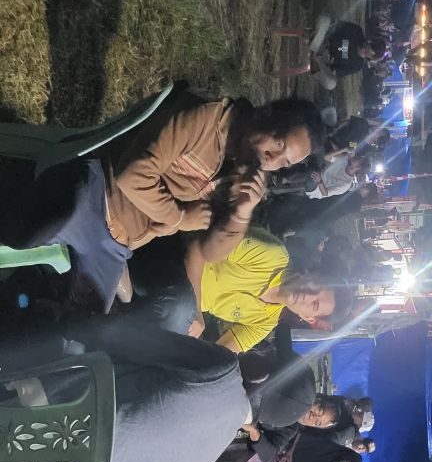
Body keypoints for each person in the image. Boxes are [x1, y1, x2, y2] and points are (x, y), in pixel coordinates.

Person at [0, 91, 323, 313]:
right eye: (278, 143)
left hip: (116, 245)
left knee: (81, 331)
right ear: (265, 114)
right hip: (97, 193)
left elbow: (210, 251)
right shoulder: (205, 118)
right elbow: (132, 175)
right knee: (25, 232)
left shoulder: (241, 172)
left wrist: (241, 214)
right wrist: (180, 218)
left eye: (283, 163)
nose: (271, 159)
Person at [0, 321, 253, 462]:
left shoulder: (223, 370)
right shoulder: (215, 449)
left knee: (67, 334)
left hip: (49, 425)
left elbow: (118, 334)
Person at [130, 228, 355, 353]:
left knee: (174, 341)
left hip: (178, 307)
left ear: (308, 317)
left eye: (314, 304)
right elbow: (197, 246)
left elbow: (223, 353)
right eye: (316, 286)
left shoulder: (265, 323)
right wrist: (197, 310)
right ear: (313, 274)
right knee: (178, 309)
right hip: (173, 258)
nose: (308, 295)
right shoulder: (273, 256)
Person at [311, 22, 387, 90]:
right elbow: (336, 26)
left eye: (366, 52)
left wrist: (326, 63)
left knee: (331, 84)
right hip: (324, 41)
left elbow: (335, 71)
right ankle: (313, 46)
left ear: (370, 57)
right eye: (366, 46)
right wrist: (326, 42)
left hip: (324, 58)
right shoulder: (357, 31)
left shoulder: (357, 65)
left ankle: (314, 55)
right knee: (326, 21)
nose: (363, 50)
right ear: (369, 41)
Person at [306, 151, 370, 200]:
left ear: (358, 167)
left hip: (317, 188)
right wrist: (344, 149)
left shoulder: (346, 184)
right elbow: (326, 157)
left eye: (359, 160)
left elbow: (325, 193)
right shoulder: (345, 160)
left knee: (311, 173)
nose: (357, 158)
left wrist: (319, 181)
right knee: (318, 150)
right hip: (319, 172)